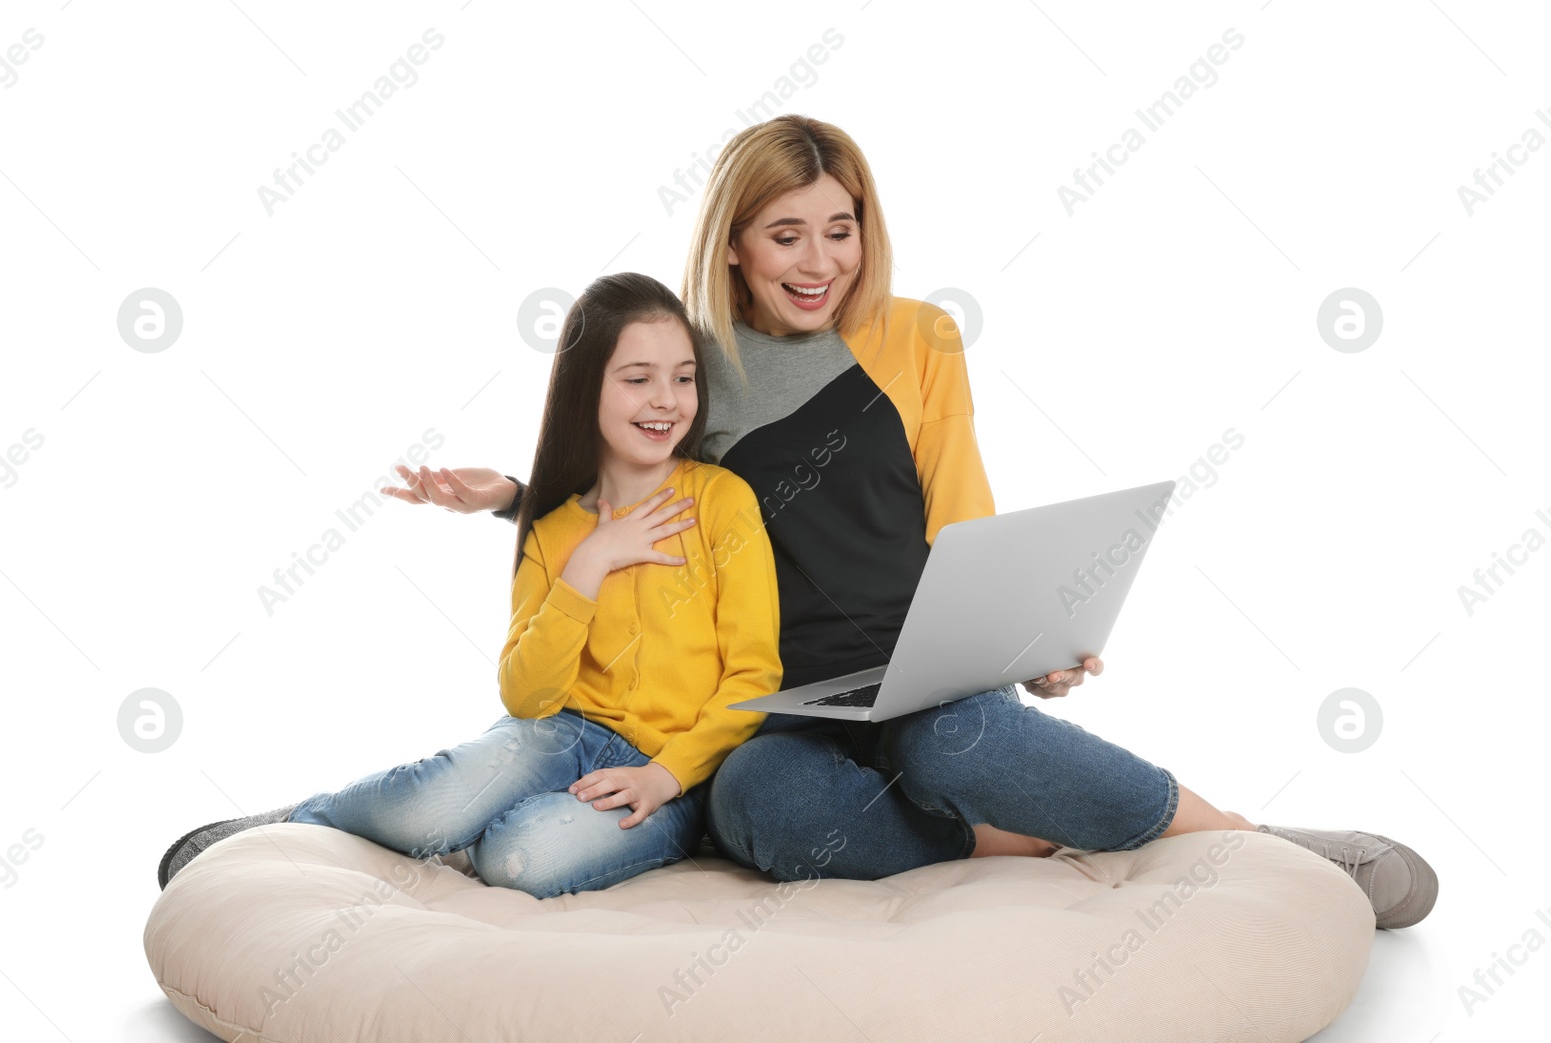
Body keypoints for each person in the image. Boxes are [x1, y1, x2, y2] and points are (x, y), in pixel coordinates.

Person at [376, 115, 1438, 931]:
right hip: (782, 704)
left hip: (923, 671)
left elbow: (963, 512)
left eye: (840, 230)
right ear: (735, 245)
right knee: (760, 809)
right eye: (785, 234)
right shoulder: (694, 364)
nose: (818, 260)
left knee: (959, 735)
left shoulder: (917, 339)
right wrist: (517, 497)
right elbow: (629, 476)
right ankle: (1004, 837)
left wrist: (1029, 647)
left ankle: (1254, 844)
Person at [157, 273, 781, 900]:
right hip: (554, 734)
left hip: (666, 777)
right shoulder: (556, 529)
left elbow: (754, 679)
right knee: (429, 804)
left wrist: (666, 777)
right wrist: (588, 564)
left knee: (521, 859)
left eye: (683, 377)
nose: (667, 400)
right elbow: (526, 696)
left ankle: (465, 821)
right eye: (638, 378)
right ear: (585, 389)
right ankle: (303, 822)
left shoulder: (722, 502)